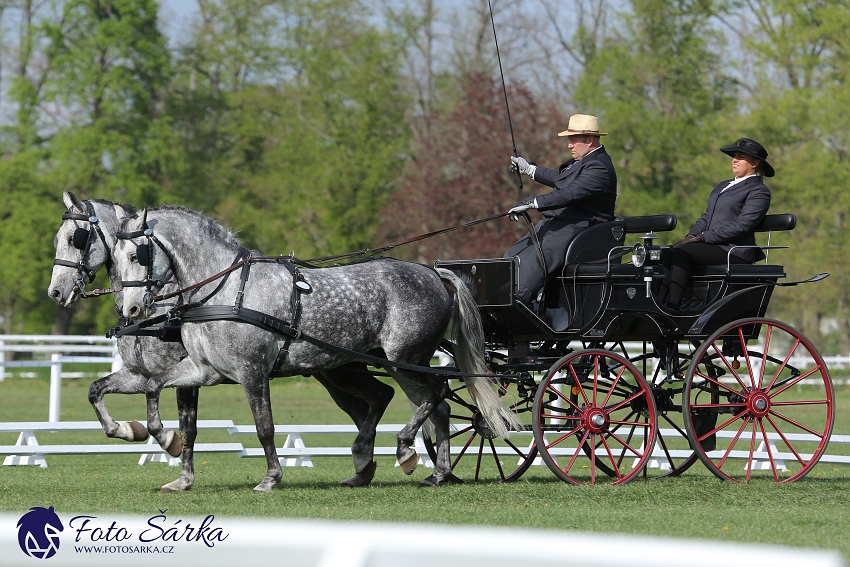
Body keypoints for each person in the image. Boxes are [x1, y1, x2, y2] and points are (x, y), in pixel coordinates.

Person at [504, 113, 617, 306]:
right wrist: (529, 169)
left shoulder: (600, 168)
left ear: (589, 140)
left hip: (582, 228)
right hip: (562, 223)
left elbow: (570, 193)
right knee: (514, 253)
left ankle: (518, 301)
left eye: (573, 141)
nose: (569, 145)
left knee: (539, 258)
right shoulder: (584, 162)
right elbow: (559, 177)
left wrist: (533, 202)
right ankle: (502, 293)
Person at [661, 137, 773, 310]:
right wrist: (691, 236)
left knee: (683, 253)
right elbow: (706, 217)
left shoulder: (758, 190)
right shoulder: (723, 186)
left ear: (755, 162)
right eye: (734, 156)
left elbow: (743, 226)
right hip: (714, 245)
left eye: (741, 156)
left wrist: (704, 237)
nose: (734, 160)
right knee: (668, 253)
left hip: (734, 249)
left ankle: (672, 306)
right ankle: (661, 302)